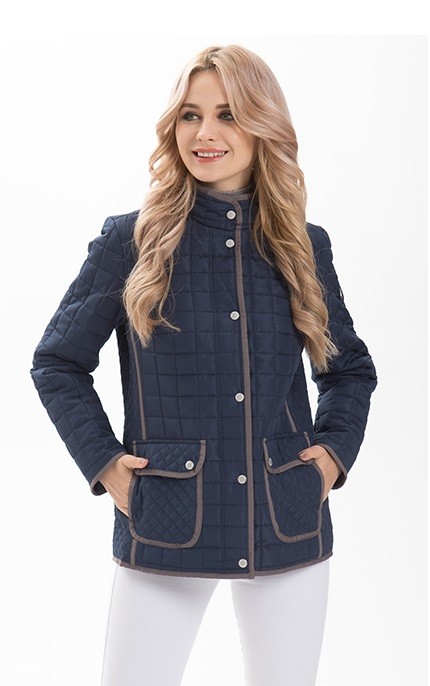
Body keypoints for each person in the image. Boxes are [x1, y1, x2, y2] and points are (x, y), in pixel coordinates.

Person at [30, 44, 378, 686]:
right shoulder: (130, 241)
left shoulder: (303, 246)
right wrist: (105, 464)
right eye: (190, 115)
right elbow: (57, 363)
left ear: (262, 124)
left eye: (228, 114)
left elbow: (348, 369)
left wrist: (332, 456)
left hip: (286, 521)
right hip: (166, 521)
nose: (205, 133)